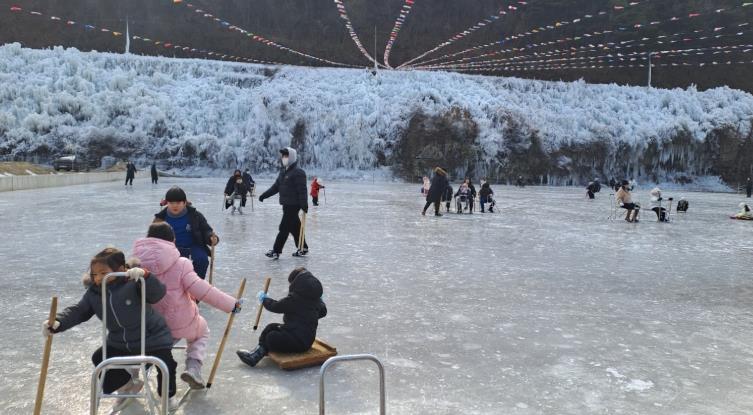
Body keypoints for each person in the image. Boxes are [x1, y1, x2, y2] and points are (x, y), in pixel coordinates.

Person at [41, 248, 178, 411]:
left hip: (152, 338)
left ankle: (168, 395)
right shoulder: (94, 293)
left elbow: (158, 294)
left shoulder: (135, 283)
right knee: (99, 358)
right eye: (94, 274)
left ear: (121, 269)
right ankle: (128, 386)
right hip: (120, 342)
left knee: (166, 364)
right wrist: (58, 322)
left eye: (103, 273)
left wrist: (146, 276)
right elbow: (79, 311)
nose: (98, 278)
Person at [131, 223, 242, 390]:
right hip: (178, 325)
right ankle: (193, 368)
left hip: (146, 326)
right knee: (201, 331)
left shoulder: (135, 266)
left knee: (146, 343)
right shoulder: (181, 264)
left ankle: (131, 374)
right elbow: (203, 291)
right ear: (172, 240)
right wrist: (231, 304)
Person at [236, 267, 327, 367]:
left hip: (298, 342)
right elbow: (323, 312)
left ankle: (257, 355)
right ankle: (257, 353)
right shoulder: (315, 300)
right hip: (306, 339)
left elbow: (276, 306)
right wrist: (319, 304)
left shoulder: (294, 299)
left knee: (271, 337)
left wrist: (264, 299)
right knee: (271, 327)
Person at [154, 187, 218, 279]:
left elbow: (206, 230)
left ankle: (196, 282)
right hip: (171, 248)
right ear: (167, 203)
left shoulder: (195, 215)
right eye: (171, 203)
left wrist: (211, 237)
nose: (175, 206)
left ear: (184, 203)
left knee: (202, 260)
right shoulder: (160, 219)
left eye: (178, 203)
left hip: (193, 246)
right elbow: (152, 237)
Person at [259, 147, 309, 259]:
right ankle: (303, 247)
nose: (284, 158)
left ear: (292, 157)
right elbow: (276, 187)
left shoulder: (298, 172)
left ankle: (276, 250)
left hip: (294, 205)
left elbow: (302, 190)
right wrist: (264, 195)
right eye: (283, 156)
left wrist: (304, 204)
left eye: (286, 156)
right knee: (295, 227)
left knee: (284, 227)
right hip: (286, 204)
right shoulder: (283, 172)